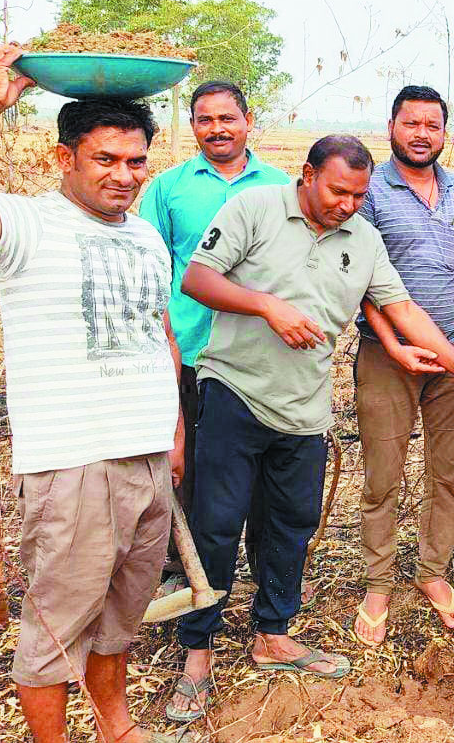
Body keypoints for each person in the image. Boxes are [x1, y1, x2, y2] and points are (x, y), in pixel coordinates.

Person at [166, 135, 454, 720]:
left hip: (305, 409)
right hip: (235, 392)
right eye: (337, 191)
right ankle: (197, 650)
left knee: (291, 525)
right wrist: (266, 306)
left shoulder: (364, 239)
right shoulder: (256, 209)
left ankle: (273, 633)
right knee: (217, 525)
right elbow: (197, 280)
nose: (346, 205)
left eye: (358, 195)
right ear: (307, 175)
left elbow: (403, 311)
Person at [0, 44, 186, 743]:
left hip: (146, 456)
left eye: (134, 162)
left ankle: (115, 727)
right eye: (104, 160)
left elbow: (158, 330)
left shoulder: (149, 237)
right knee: (58, 629)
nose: (122, 177)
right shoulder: (27, 226)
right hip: (72, 464)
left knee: (122, 616)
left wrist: (175, 431)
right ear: (64, 159)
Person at [350, 86, 454, 645]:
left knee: (451, 470)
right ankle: (378, 582)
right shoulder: (369, 191)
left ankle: (433, 573)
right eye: (411, 123)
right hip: (388, 355)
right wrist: (392, 341)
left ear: (446, 133)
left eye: (432, 125)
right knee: (383, 474)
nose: (421, 134)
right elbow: (361, 278)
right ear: (391, 126)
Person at [140, 80, 290, 593]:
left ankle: (261, 570)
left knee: (258, 468)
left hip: (258, 354)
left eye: (227, 118)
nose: (217, 129)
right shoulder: (169, 188)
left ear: (248, 121)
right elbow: (151, 266)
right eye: (205, 120)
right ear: (194, 126)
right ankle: (184, 570)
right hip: (188, 348)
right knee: (186, 462)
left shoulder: (280, 185)